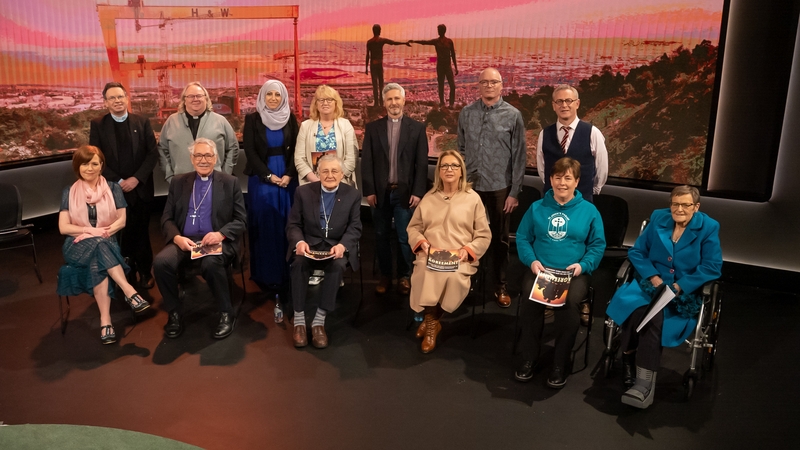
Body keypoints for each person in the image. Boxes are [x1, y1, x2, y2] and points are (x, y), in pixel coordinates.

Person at [606, 185, 722, 409]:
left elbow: (712, 266)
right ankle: (630, 358)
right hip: (649, 284)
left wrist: (681, 285)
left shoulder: (708, 227)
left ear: (696, 207)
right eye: (675, 204)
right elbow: (637, 252)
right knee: (637, 309)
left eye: (685, 205)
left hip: (682, 291)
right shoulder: (659, 218)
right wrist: (653, 277)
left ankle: (643, 384)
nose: (679, 209)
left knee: (654, 316)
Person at [514, 157, 605, 388]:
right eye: (557, 177)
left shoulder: (589, 211)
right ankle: (529, 358)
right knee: (529, 299)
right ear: (551, 180)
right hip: (541, 270)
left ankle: (560, 362)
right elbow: (523, 237)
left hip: (573, 273)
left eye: (567, 178)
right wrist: (532, 261)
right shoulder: (537, 208)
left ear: (576, 181)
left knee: (568, 304)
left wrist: (583, 266)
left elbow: (597, 245)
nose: (561, 182)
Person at [153, 138, 247, 340]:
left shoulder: (230, 183)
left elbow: (241, 220)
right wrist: (177, 238)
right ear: (191, 158)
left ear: (215, 158)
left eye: (208, 155)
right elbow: (166, 218)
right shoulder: (179, 182)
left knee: (211, 263)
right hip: (185, 242)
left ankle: (225, 313)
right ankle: (175, 312)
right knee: (161, 263)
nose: (203, 160)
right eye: (198, 155)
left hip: (217, 242)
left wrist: (220, 234)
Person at [57, 145, 150, 345]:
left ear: (101, 166)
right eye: (84, 164)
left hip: (106, 243)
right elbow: (64, 228)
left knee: (97, 259)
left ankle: (105, 321)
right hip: (76, 246)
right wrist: (92, 232)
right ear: (77, 167)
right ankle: (129, 291)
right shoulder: (69, 192)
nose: (89, 168)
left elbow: (121, 221)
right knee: (99, 244)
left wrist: (101, 234)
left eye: (94, 164)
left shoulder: (113, 188)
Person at [407, 150, 491, 353]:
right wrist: (422, 243)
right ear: (439, 172)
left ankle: (432, 322)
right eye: (444, 166)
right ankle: (431, 324)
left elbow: (483, 235)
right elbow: (414, 227)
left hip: (459, 257)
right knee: (425, 274)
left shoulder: (473, 199)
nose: (449, 169)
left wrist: (467, 250)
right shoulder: (429, 197)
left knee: (453, 278)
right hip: (430, 254)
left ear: (461, 171)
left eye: (454, 165)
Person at [457, 67, 526, 308]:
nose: (488, 86)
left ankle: (500, 285)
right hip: (471, 187)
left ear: (501, 85)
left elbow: (518, 156)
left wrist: (514, 191)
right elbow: (461, 148)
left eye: (493, 82)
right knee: (467, 236)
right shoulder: (466, 113)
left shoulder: (513, 115)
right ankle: (467, 283)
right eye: (484, 82)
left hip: (500, 187)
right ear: (478, 85)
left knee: (499, 239)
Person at [286, 155, 362, 349]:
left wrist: (343, 246)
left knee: (337, 266)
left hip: (336, 247)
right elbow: (293, 224)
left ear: (342, 174)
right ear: (318, 173)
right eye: (325, 171)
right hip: (309, 244)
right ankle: (300, 320)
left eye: (334, 171)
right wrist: (300, 242)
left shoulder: (352, 195)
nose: (329, 175)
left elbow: (355, 227)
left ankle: (319, 321)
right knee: (299, 263)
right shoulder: (303, 192)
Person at [89, 81, 159, 290]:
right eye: (112, 98)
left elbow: (152, 153)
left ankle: (146, 271)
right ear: (106, 102)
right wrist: (119, 181)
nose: (117, 101)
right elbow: (96, 157)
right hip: (114, 190)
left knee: (142, 232)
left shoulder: (142, 122)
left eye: (120, 96)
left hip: (141, 188)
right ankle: (127, 273)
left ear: (127, 98)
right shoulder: (98, 124)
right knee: (121, 234)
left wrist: (136, 178)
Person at [361, 83, 429, 295]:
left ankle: (404, 276)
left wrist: (418, 192)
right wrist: (369, 190)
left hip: (405, 194)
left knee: (404, 236)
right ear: (384, 103)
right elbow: (367, 163)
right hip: (380, 194)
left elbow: (422, 164)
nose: (393, 103)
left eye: (397, 99)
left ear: (404, 100)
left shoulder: (417, 129)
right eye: (389, 99)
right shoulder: (373, 129)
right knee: (380, 235)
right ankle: (385, 275)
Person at [242, 80, 300, 323]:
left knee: (288, 225)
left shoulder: (291, 119)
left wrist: (288, 174)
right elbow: (250, 151)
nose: (274, 98)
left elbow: (297, 149)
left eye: (278, 94)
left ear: (283, 97)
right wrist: (268, 175)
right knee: (265, 225)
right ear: (262, 97)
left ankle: (289, 273)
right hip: (262, 180)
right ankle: (267, 274)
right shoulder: (252, 120)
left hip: (287, 179)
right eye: (270, 94)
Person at [295, 85, 358, 285]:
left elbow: (351, 158)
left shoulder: (345, 125)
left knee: (338, 225)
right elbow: (299, 159)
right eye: (321, 100)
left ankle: (335, 269)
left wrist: (335, 179)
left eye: (329, 100)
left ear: (336, 103)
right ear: (315, 104)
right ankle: (316, 266)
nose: (325, 103)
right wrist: (318, 181)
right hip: (314, 186)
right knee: (316, 225)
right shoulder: (306, 126)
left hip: (340, 185)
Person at [536, 84, 608, 203]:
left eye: (568, 101)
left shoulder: (592, 133)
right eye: (559, 101)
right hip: (551, 201)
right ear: (553, 106)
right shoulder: (545, 133)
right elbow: (542, 169)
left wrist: (590, 190)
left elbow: (602, 168)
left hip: (582, 201)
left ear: (577, 103)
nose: (564, 105)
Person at [158, 81, 239, 182]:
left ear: (206, 98)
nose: (195, 99)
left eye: (199, 96)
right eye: (191, 96)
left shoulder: (220, 121)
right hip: (181, 183)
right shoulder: (171, 121)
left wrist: (224, 175)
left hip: (215, 182)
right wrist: (170, 176)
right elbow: (162, 149)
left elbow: (233, 147)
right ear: (184, 100)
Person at [411, 24, 458, 108]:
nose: (438, 31)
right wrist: (414, 41)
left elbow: (453, 54)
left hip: (447, 66)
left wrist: (456, 67)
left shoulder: (449, 41)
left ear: (444, 31)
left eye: (439, 30)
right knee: (441, 84)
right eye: (438, 30)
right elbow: (424, 42)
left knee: (452, 86)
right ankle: (442, 102)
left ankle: (451, 104)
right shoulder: (436, 41)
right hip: (440, 66)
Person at [365, 24, 411, 106]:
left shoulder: (370, 42)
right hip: (379, 64)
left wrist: (366, 68)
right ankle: (381, 103)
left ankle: (376, 103)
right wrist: (404, 43)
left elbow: (367, 56)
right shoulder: (381, 40)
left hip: (373, 65)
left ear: (373, 31)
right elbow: (393, 43)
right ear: (379, 31)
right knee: (381, 84)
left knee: (375, 84)